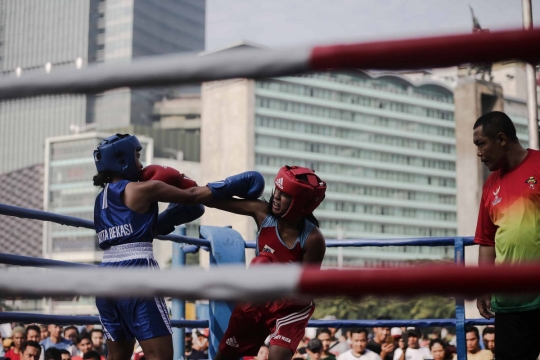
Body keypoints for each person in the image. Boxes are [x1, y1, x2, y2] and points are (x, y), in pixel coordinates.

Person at [92, 133, 264, 360]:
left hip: (104, 277)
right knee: (160, 356)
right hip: (136, 272)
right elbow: (193, 196)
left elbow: (133, 232)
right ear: (121, 159)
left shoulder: (100, 201)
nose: (141, 164)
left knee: (117, 356)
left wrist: (168, 218)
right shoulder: (143, 189)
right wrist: (234, 183)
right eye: (136, 156)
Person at [210, 165, 327, 360]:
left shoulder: (313, 239)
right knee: (224, 356)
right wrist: (179, 188)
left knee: (277, 356)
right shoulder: (262, 213)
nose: (276, 197)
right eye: (277, 190)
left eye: (284, 194)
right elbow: (207, 198)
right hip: (257, 296)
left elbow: (306, 291)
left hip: (290, 304)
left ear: (299, 202)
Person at [473, 111, 540, 360]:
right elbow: (487, 240)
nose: (478, 152)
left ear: (501, 139)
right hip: (510, 302)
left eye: (481, 144)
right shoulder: (491, 184)